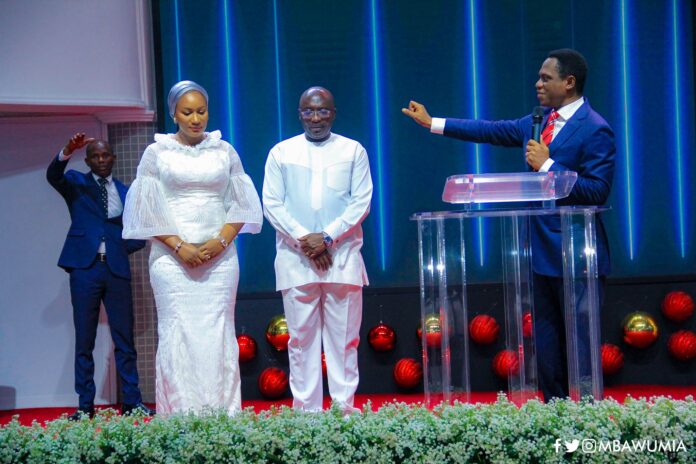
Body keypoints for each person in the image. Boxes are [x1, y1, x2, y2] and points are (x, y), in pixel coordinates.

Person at [402, 48, 615, 401]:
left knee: (578, 343)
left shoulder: (595, 128)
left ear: (570, 82)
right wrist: (433, 123)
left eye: (546, 78)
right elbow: (491, 130)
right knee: (545, 342)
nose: (538, 84)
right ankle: (554, 410)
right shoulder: (539, 120)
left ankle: (585, 417)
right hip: (538, 252)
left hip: (577, 255)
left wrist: (549, 167)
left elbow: (598, 191)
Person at [122, 80, 263, 415]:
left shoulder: (224, 150)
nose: (196, 118)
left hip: (221, 258)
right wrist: (179, 247)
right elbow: (146, 209)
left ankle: (223, 417)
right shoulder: (157, 153)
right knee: (178, 333)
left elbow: (242, 204)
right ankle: (181, 418)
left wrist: (219, 242)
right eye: (188, 112)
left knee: (218, 332)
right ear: (174, 113)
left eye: (201, 111)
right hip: (171, 259)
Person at [262, 86, 373, 413]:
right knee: (300, 343)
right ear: (299, 114)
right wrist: (306, 240)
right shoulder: (281, 152)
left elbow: (361, 202)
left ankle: (343, 412)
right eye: (308, 111)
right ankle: (307, 414)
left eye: (322, 111)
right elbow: (272, 204)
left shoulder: (354, 151)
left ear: (333, 113)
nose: (315, 118)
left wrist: (327, 238)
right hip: (296, 260)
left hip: (343, 259)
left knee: (343, 343)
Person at [47, 134, 151, 420]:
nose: (101, 160)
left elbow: (138, 233)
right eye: (95, 156)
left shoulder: (125, 191)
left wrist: (117, 247)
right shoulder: (77, 185)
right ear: (88, 160)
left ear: (113, 159)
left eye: (105, 156)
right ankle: (85, 407)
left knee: (124, 339)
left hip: (115, 269)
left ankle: (132, 402)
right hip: (85, 268)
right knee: (85, 340)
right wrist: (66, 150)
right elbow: (53, 175)